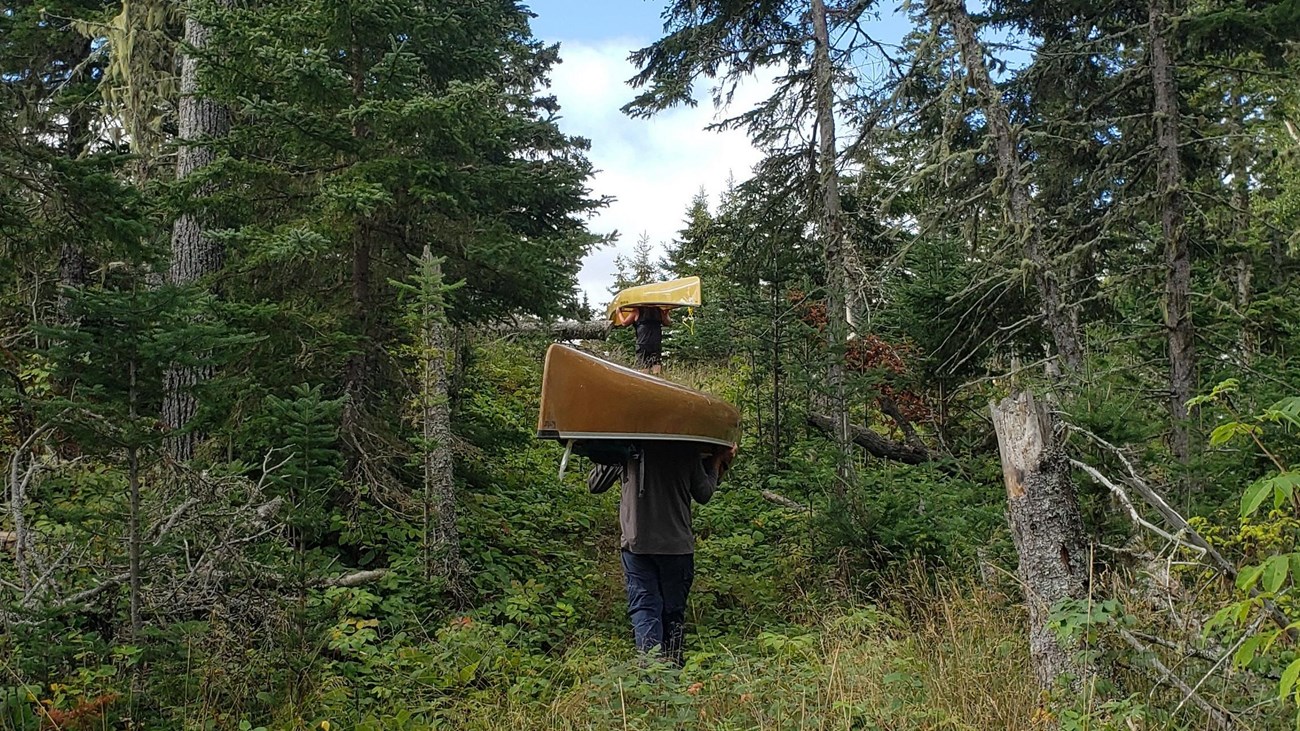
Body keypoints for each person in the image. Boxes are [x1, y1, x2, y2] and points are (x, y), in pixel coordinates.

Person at [588, 441, 734, 666]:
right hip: (677, 549)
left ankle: (652, 678)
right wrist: (717, 462)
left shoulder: (629, 446)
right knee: (672, 614)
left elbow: (595, 484)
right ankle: (672, 675)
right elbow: (703, 493)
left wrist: (612, 447)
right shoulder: (686, 447)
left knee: (645, 610)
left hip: (638, 546)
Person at [631, 306, 670, 374]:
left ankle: (644, 382)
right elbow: (667, 322)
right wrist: (665, 314)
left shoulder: (637, 310)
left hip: (643, 343)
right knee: (656, 364)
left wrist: (618, 312)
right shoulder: (658, 310)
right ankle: (656, 380)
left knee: (644, 366)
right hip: (655, 342)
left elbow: (624, 323)